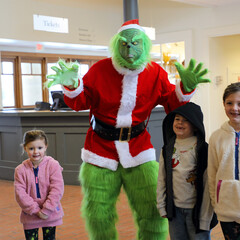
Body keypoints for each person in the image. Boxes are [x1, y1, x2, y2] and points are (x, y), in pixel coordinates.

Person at [46, 19, 211, 240]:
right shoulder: (99, 70)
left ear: (143, 44)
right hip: (100, 150)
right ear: (116, 45)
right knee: (98, 215)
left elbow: (173, 103)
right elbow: (80, 102)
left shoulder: (155, 73)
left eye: (135, 43)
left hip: (139, 148)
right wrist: (73, 87)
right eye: (124, 43)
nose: (130, 49)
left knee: (152, 211)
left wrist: (185, 89)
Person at [157, 102, 218, 240]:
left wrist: (205, 217)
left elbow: (209, 183)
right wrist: (161, 205)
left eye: (186, 120)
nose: (180, 123)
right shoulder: (168, 148)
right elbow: (162, 178)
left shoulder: (203, 149)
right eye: (177, 119)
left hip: (197, 212)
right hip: (174, 210)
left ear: (195, 125)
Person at [14, 130, 64, 240]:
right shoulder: (20, 170)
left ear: (45, 147)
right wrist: (36, 210)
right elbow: (20, 194)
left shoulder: (53, 165)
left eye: (40, 148)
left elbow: (57, 189)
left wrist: (46, 210)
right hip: (30, 215)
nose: (36, 152)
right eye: (31, 148)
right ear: (25, 148)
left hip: (50, 214)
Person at [208, 82, 240, 240]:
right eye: (229, 103)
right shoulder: (216, 137)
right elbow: (212, 173)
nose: (234, 108)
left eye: (239, 104)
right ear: (223, 104)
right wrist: (216, 203)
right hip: (226, 208)